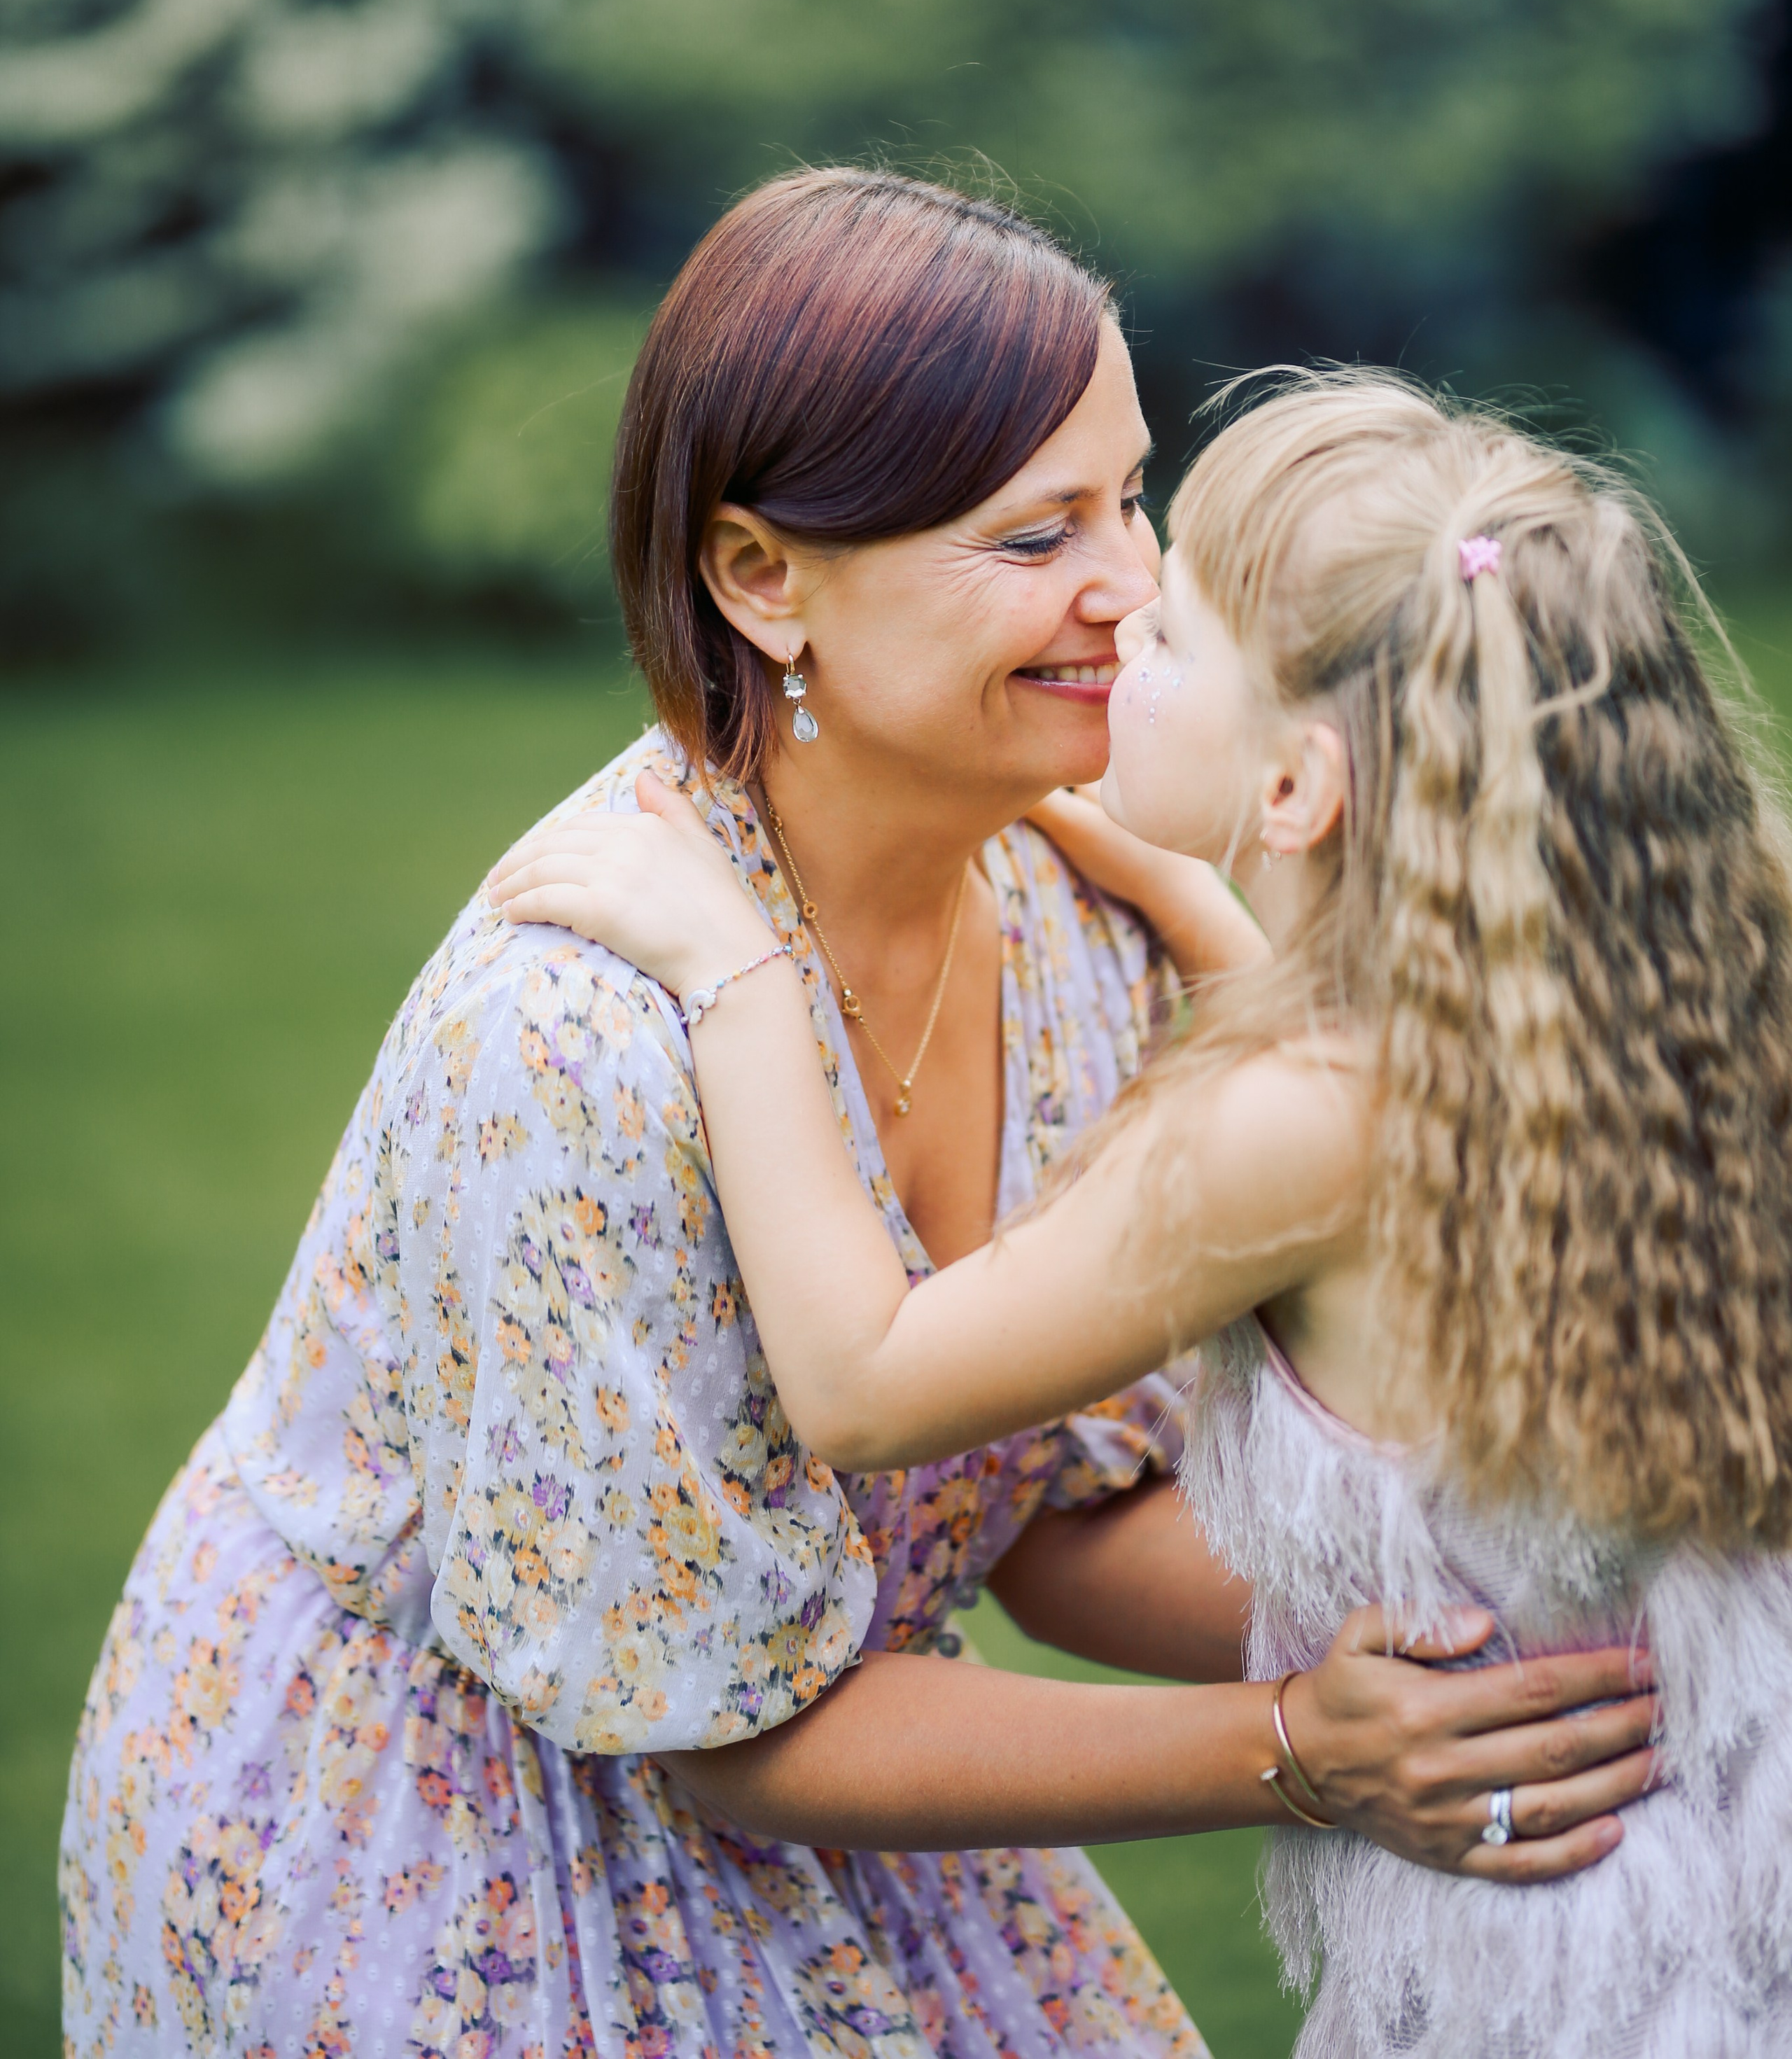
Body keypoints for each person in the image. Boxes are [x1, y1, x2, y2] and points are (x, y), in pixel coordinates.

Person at [63, 183, 1656, 2059]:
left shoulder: (1081, 900)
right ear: (761, 578)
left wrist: (1477, 1638)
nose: (1134, 585)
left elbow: (1048, 1501)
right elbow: (717, 1727)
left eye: (1129, 499)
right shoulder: (577, 1038)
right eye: (1033, 533)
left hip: (851, 1729)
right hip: (462, 1826)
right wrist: (1301, 1746)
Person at [493, 360, 1792, 2055]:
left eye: (1170, 637)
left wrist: (737, 974)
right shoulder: (1624, 1010)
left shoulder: (1292, 1125)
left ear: (1295, 793)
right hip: (1709, 1843)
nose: (1114, 630)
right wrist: (1201, 883)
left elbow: (868, 1384)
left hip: (1567, 1955)